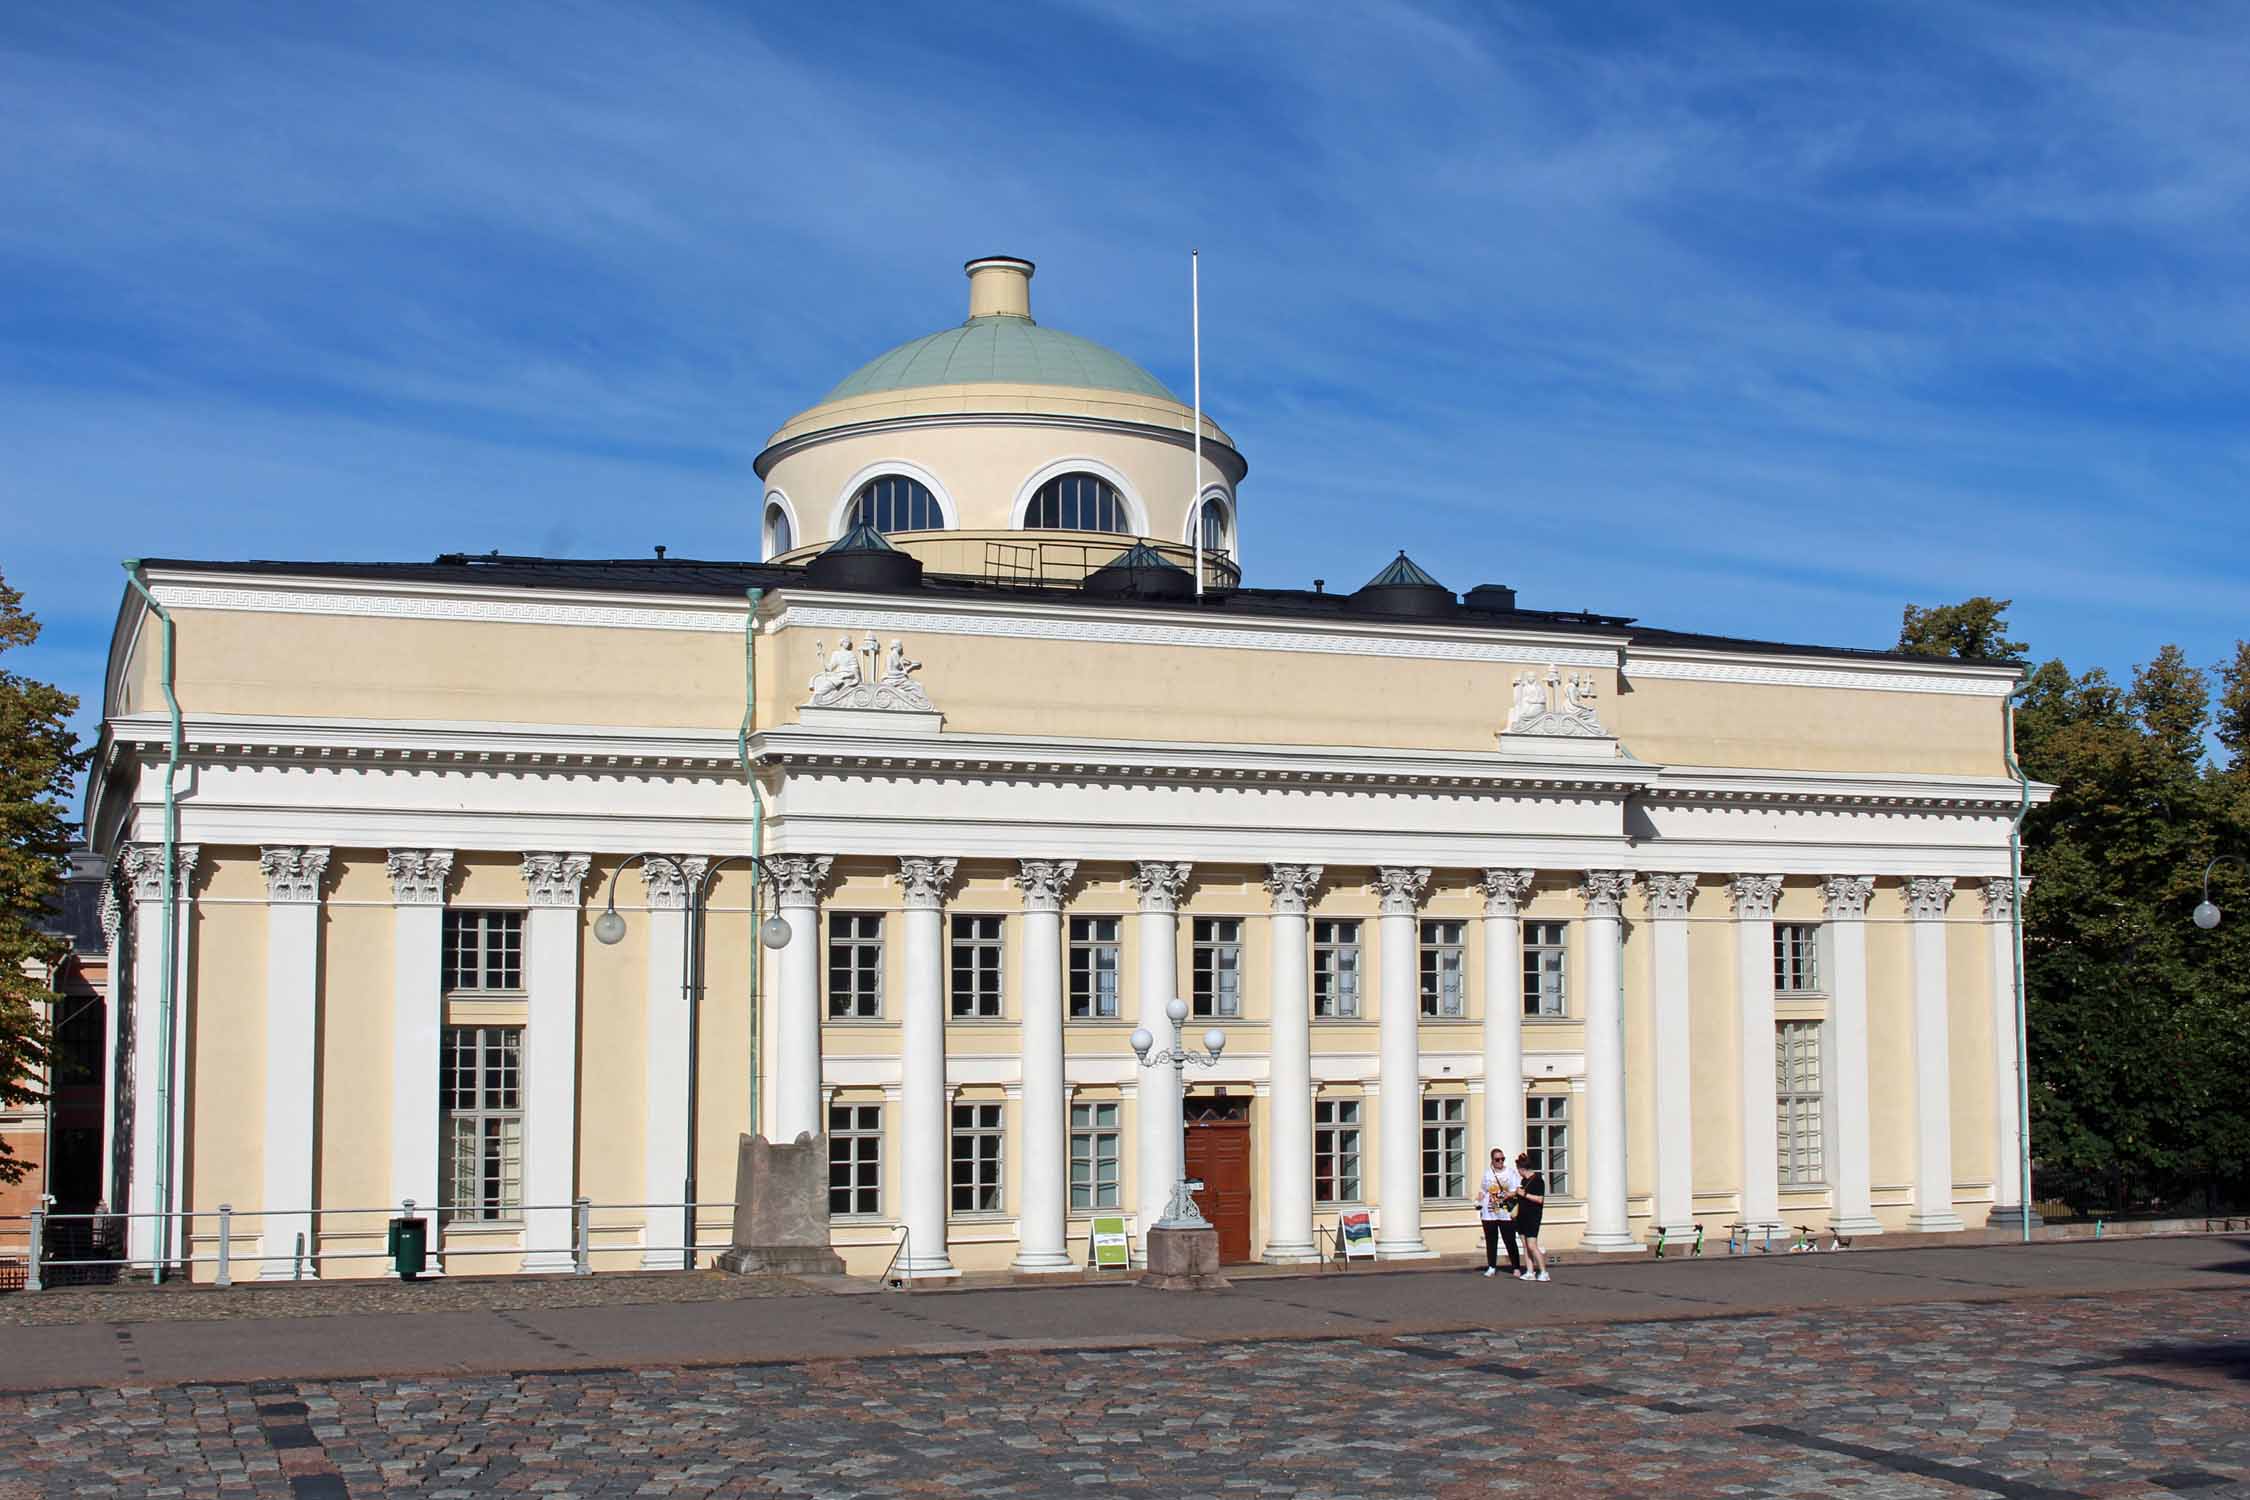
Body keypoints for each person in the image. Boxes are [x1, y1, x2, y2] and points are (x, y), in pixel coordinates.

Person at [1477, 1147, 1522, 1277]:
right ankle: (1491, 1266)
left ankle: (1516, 1267)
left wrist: (1509, 1195)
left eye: (1503, 1159)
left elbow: (1517, 1190)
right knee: (1491, 1241)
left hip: (1505, 1211)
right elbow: (1483, 1190)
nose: (1501, 1161)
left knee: (1510, 1240)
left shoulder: (1510, 1173)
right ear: (1492, 1161)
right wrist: (1478, 1200)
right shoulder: (1488, 1174)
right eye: (1498, 1159)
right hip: (1489, 1212)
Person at [1512, 1151, 1550, 1282]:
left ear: (1523, 1169)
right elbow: (1520, 1194)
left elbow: (1540, 1199)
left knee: (1532, 1245)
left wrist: (1524, 1195)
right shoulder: (1524, 1180)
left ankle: (1544, 1272)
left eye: (1518, 1169)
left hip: (1533, 1216)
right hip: (1522, 1216)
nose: (1518, 1172)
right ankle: (1530, 1271)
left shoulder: (1538, 1180)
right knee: (1525, 1245)